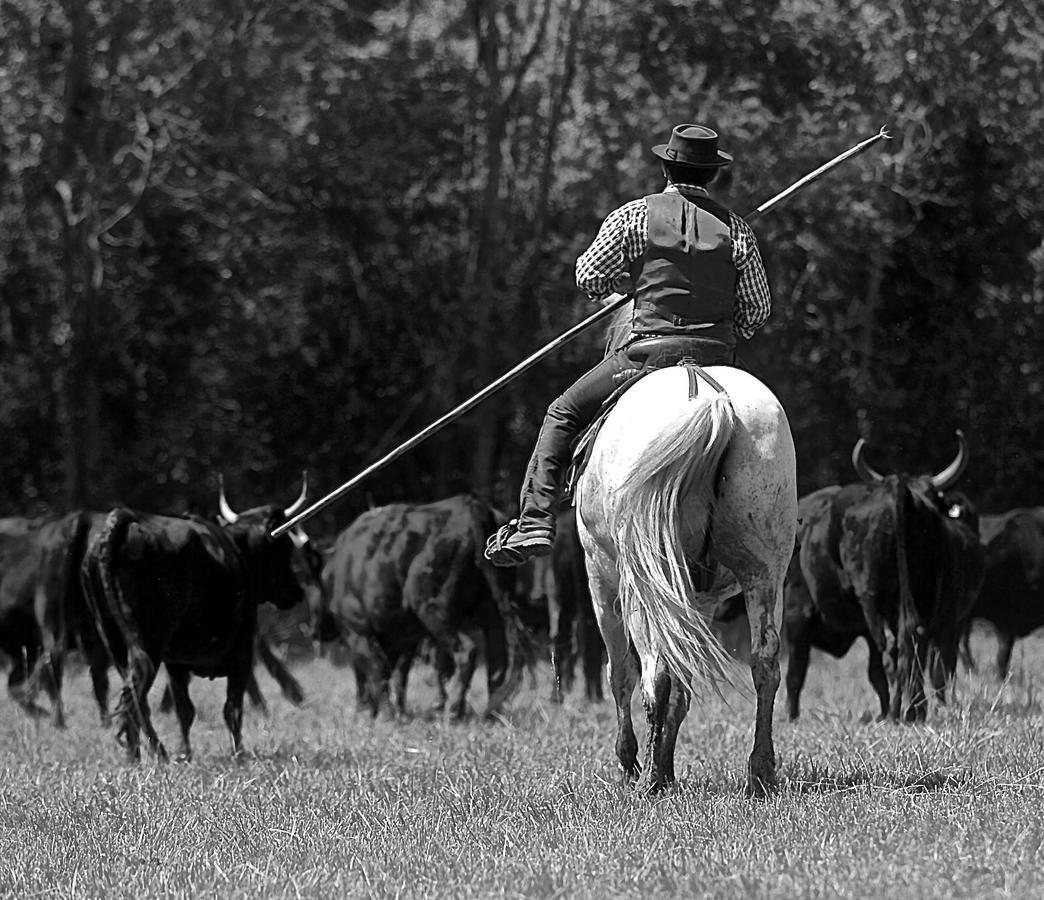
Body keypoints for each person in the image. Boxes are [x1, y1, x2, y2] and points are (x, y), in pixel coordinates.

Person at [484, 123, 772, 567]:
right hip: (719, 358)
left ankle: (535, 521)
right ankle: (777, 523)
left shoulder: (633, 216)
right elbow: (756, 310)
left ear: (665, 167)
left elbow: (588, 275)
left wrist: (629, 289)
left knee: (562, 412)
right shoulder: (737, 231)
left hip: (647, 354)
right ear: (713, 175)